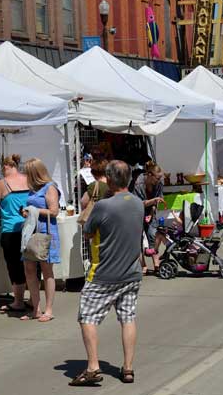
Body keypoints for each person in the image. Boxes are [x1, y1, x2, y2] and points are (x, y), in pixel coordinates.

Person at [72, 161, 144, 387]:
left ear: (110, 180)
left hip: (104, 273)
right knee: (128, 318)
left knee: (87, 317)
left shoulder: (104, 206)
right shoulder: (138, 203)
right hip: (131, 272)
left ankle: (93, 366)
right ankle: (128, 367)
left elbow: (87, 232)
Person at [0, 154, 29, 313]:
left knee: (14, 266)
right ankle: (33, 299)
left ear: (5, 167)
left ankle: (18, 301)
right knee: (29, 265)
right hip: (29, 228)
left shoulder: (2, 184)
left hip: (11, 230)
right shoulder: (28, 179)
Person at [21, 158, 61, 322]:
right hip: (31, 232)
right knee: (29, 270)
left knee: (47, 271)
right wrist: (27, 212)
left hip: (45, 232)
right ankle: (36, 308)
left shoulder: (49, 187)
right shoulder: (32, 190)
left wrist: (34, 210)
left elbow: (54, 211)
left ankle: (49, 309)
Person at [132, 162, 165, 272]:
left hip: (150, 211)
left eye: (160, 177)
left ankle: (156, 264)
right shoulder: (138, 183)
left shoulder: (159, 184)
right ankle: (143, 265)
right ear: (150, 175)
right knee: (138, 239)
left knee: (152, 234)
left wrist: (151, 212)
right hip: (136, 212)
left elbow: (158, 201)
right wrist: (153, 201)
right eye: (157, 177)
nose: (159, 180)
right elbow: (137, 203)